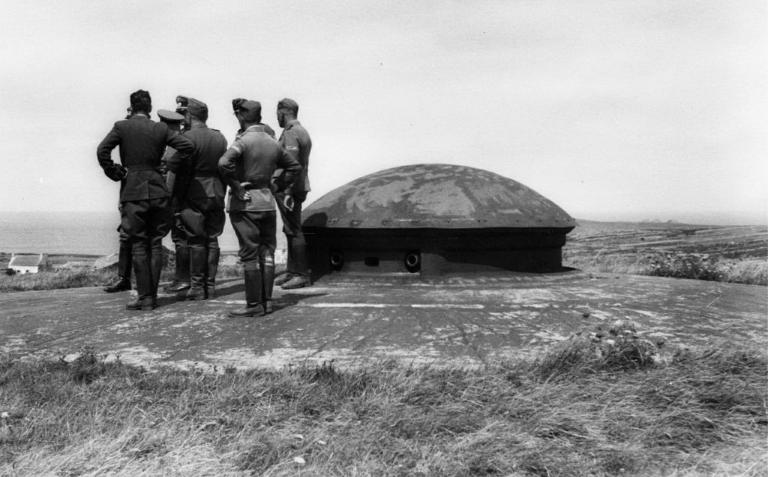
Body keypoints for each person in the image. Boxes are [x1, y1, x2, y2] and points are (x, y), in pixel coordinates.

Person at [97, 90, 193, 310]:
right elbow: (187, 147)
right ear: (150, 108)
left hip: (133, 191)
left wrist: (116, 172)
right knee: (155, 243)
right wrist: (167, 164)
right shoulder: (160, 128)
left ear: (132, 106)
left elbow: (102, 151)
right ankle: (153, 297)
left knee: (139, 244)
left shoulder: (122, 126)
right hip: (158, 190)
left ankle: (145, 298)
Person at [218, 99, 301, 317]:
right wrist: (277, 185)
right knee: (267, 253)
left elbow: (223, 163)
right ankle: (268, 302)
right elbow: (294, 165)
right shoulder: (272, 141)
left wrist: (235, 187)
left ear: (242, 116)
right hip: (267, 203)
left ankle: (254, 305)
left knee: (249, 255)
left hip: (245, 204)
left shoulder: (243, 141)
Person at [169, 96, 228, 300]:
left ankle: (197, 287)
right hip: (216, 191)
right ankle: (210, 286)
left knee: (196, 240)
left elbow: (174, 167)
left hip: (194, 192)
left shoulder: (187, 139)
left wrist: (172, 199)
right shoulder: (220, 138)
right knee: (212, 239)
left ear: (189, 115)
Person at [273, 98, 312, 290]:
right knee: (290, 228)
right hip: (297, 185)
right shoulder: (301, 131)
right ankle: (292, 271)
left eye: (278, 113)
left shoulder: (291, 133)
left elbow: (293, 164)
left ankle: (301, 274)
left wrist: (287, 191)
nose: (277, 117)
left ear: (284, 112)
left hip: (290, 187)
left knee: (294, 228)